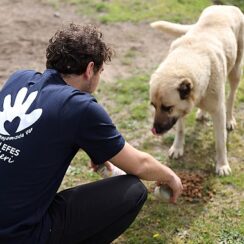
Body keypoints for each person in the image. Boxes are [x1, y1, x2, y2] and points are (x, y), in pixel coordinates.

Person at [0, 23, 183, 244]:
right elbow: (140, 165)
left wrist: (99, 152)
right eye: (100, 71)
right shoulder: (79, 106)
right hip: (18, 236)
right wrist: (170, 176)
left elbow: (43, 132)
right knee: (133, 191)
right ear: (90, 69)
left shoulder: (18, 79)